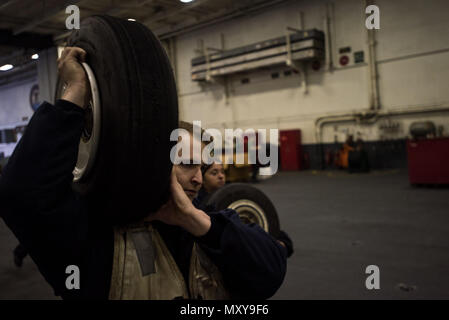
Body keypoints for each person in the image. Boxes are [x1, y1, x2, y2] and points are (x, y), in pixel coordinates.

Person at [0, 47, 287, 300]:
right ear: (153, 162)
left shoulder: (211, 222)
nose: (199, 178)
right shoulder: (91, 239)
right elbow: (20, 193)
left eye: (202, 167)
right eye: (187, 163)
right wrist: (76, 91)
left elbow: (270, 274)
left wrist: (193, 219)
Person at [197, 163, 294, 258]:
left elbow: (274, 231)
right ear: (203, 179)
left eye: (222, 172)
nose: (221, 176)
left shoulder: (234, 194)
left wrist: (280, 244)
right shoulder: (199, 206)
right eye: (214, 173)